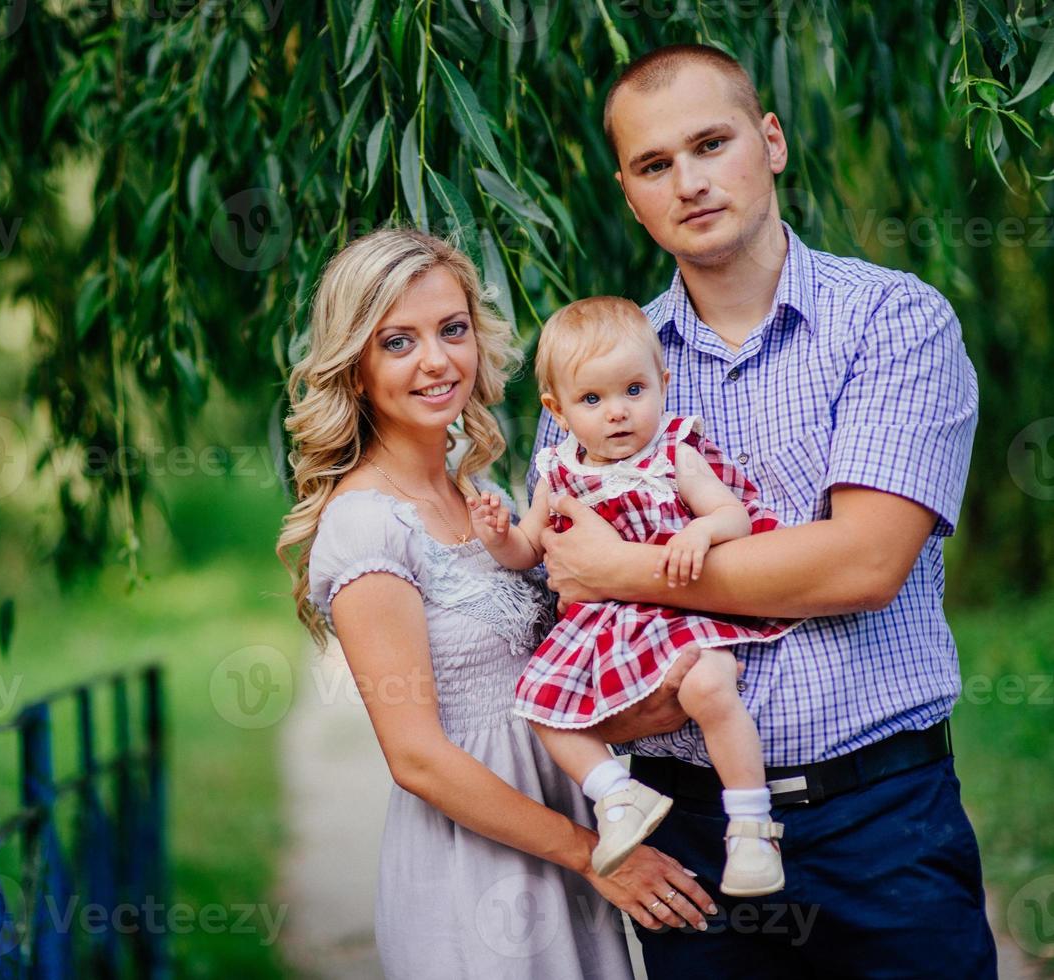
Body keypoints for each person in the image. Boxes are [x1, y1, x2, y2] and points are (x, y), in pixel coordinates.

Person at [526, 44, 997, 976]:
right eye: (655, 165)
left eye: (711, 144)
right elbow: (569, 619)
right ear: (627, 192)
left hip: (882, 823)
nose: (690, 182)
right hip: (691, 840)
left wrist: (628, 572)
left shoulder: (893, 322)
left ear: (771, 142)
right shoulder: (599, 372)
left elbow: (863, 566)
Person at [277, 228, 715, 978]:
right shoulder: (366, 522)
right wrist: (593, 857)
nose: (436, 360)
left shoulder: (484, 494)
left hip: (566, 839)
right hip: (475, 866)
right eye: (397, 342)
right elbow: (416, 758)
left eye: (451, 330)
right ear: (354, 368)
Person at [469, 296, 799, 897]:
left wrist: (701, 529)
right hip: (601, 627)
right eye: (592, 400)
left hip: (682, 609)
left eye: (634, 390)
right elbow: (531, 550)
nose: (618, 413)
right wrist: (499, 535)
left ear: (663, 383)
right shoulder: (559, 471)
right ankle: (617, 793)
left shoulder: (674, 452)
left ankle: (750, 826)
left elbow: (734, 517)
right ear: (558, 409)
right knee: (541, 705)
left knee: (709, 687)